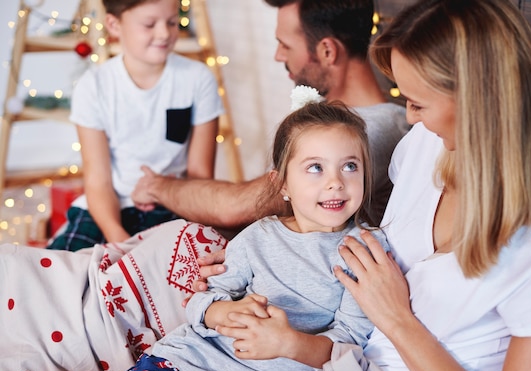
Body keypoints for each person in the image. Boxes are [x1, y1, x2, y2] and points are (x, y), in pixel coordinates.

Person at [206, 0, 531, 371]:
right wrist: (259, 251)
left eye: (418, 102)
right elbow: (361, 236)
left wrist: (397, 319)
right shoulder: (425, 147)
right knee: (175, 245)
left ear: (476, 99)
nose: (410, 118)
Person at [1, 98, 390, 371]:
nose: (335, 182)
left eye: (350, 166)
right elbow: (203, 299)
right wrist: (223, 312)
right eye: (315, 168)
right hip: (192, 362)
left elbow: (350, 343)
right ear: (283, 184)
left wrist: (289, 343)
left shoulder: (363, 251)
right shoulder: (261, 237)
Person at [131, 0, 409, 230]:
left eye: (286, 45)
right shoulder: (350, 120)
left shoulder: (365, 132)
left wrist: (157, 185)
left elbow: (233, 207)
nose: (278, 55)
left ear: (327, 51)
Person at [47, 0, 223, 251]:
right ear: (114, 25)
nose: (164, 33)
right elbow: (99, 182)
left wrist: (162, 190)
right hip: (108, 208)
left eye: (172, 22)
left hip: (174, 204)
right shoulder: (94, 86)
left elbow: (201, 177)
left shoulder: (198, 79)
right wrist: (118, 238)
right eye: (149, 24)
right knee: (60, 270)